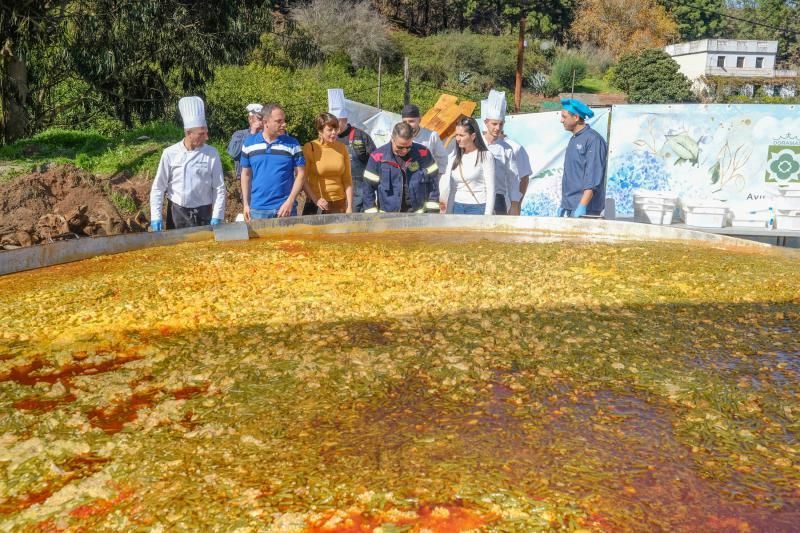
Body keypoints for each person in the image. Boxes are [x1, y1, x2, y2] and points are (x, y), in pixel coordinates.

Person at [149, 96, 225, 231]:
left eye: (206, 133)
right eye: (201, 134)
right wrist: (156, 216)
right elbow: (158, 187)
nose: (206, 137)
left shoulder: (211, 153)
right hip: (177, 213)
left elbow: (219, 187)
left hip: (203, 212)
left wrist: (217, 215)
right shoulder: (170, 153)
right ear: (189, 133)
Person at [240, 104, 305, 221]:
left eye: (284, 120)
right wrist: (245, 204)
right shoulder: (249, 143)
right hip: (258, 210)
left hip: (285, 209)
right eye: (279, 121)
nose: (284, 124)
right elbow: (245, 175)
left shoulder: (293, 144)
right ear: (266, 122)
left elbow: (301, 174)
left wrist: (290, 201)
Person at [362, 122, 440, 214]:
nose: (404, 151)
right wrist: (372, 216)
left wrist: (432, 213)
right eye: (400, 147)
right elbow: (368, 190)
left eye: (408, 147)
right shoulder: (378, 157)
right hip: (388, 217)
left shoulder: (423, 154)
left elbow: (433, 185)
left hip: (418, 216)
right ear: (392, 139)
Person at [328, 89, 376, 213]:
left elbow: (376, 162)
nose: (334, 127)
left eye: (337, 122)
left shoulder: (361, 136)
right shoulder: (326, 139)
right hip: (335, 191)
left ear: (345, 119)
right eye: (331, 124)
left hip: (359, 191)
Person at [558, 98, 607, 218]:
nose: (561, 120)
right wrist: (565, 203)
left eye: (564, 117)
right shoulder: (574, 139)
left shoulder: (593, 140)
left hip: (587, 208)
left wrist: (582, 205)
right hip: (571, 205)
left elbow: (593, 177)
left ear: (576, 117)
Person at [440, 116, 495, 215]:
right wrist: (448, 213)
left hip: (478, 207)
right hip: (457, 206)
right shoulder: (454, 157)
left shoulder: (485, 156)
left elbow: (491, 189)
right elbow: (453, 189)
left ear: (473, 136)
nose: (457, 139)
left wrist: (488, 216)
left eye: (461, 135)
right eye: (456, 135)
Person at [301, 112, 352, 215]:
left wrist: (350, 206)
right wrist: (316, 200)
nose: (334, 133)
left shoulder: (342, 148)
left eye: (336, 129)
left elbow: (347, 179)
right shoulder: (310, 148)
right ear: (320, 130)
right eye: (330, 130)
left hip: (339, 203)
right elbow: (303, 179)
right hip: (317, 204)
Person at [481, 90, 520, 216]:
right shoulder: (475, 144)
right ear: (486, 122)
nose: (497, 128)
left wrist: (514, 204)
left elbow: (513, 178)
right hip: (477, 197)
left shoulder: (506, 149)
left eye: (500, 124)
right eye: (494, 124)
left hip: (498, 198)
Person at [401, 104, 448, 183]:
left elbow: (442, 158)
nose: (407, 125)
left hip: (425, 183)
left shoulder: (432, 136)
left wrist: (434, 176)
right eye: (404, 122)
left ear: (420, 119)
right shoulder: (397, 136)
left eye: (411, 121)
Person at [226, 103, 264, 178]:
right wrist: (252, 133)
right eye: (259, 119)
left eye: (264, 119)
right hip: (245, 179)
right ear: (250, 119)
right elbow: (234, 154)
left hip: (263, 179)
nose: (262, 122)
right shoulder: (239, 134)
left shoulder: (268, 136)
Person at [499, 132, 532, 216]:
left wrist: (516, 205)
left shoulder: (516, 147)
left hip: (507, 205)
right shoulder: (482, 144)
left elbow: (524, 178)